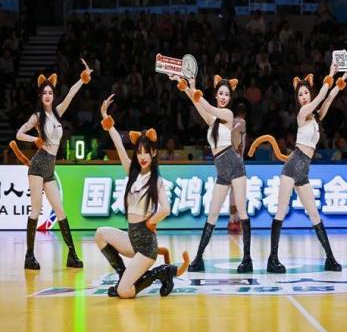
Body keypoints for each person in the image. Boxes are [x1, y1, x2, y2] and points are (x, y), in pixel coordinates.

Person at [249, 65, 347, 273]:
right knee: (281, 211)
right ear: (297, 99)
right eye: (300, 94)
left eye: (306, 93)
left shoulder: (315, 117)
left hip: (303, 169)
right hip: (293, 165)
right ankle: (272, 259)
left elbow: (328, 99)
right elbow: (320, 98)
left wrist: (343, 78)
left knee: (314, 214)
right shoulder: (303, 113)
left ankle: (330, 258)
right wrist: (331, 73)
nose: (304, 97)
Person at [95, 94, 189, 298]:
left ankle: (161, 272)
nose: (142, 156)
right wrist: (106, 118)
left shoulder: (156, 180)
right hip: (131, 239)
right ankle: (123, 275)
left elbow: (166, 208)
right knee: (100, 234)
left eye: (146, 152)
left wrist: (151, 222)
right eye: (139, 152)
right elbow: (119, 146)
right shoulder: (133, 172)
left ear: (154, 153)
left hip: (146, 245)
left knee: (124, 292)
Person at [13, 59, 92, 269]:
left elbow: (71, 95)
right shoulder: (37, 116)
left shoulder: (57, 113)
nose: (48, 95)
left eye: (50, 92)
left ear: (53, 95)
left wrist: (82, 79)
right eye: (44, 92)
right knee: (36, 210)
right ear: (40, 96)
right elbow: (19, 134)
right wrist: (35, 140)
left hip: (50, 167)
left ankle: (72, 255)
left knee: (61, 211)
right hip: (38, 165)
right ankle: (29, 256)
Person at [174, 74, 253, 273]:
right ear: (216, 95)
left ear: (229, 98)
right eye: (221, 93)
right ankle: (198, 258)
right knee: (213, 213)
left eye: (227, 94)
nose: (224, 97)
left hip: (234, 165)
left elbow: (206, 105)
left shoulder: (227, 114)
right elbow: (198, 103)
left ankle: (247, 259)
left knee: (241, 211)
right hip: (222, 170)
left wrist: (194, 91)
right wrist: (188, 87)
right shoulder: (212, 121)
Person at [227, 103, 247, 233]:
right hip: (237, 160)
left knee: (233, 191)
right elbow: (237, 135)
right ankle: (235, 220)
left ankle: (232, 219)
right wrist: (237, 150)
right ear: (244, 113)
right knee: (237, 191)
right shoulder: (242, 122)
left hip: (230, 158)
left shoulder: (231, 122)